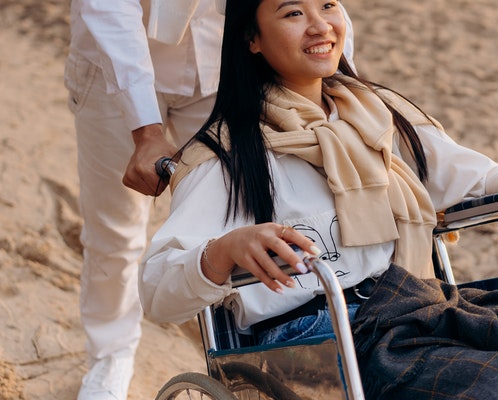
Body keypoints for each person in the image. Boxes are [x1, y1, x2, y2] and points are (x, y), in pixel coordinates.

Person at [139, 0, 498, 398]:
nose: (320, 25)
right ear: (251, 37)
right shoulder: (224, 156)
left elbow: (459, 174)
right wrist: (223, 251)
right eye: (294, 12)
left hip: (416, 304)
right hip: (315, 337)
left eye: (329, 5)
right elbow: (158, 290)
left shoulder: (373, 113)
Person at [64, 0, 355, 398]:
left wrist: (343, 77)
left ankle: (245, 364)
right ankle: (110, 355)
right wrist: (145, 129)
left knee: (242, 220)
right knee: (114, 230)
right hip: (112, 68)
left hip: (225, 64)